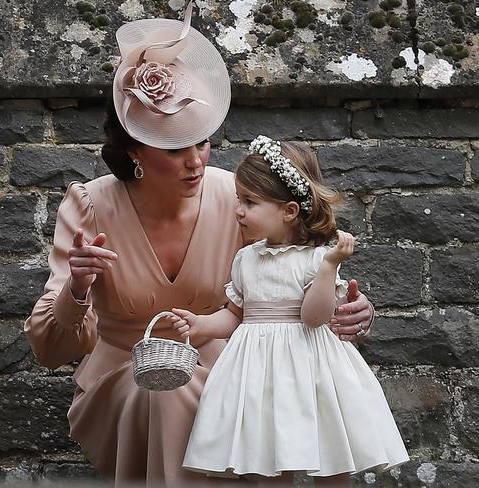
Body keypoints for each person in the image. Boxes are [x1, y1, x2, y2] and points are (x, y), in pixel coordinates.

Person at [24, 3, 375, 486]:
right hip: (126, 378)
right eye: (174, 149)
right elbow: (51, 348)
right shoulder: (90, 206)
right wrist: (79, 287)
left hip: (233, 372)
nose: (195, 161)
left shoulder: (239, 199)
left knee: (222, 401)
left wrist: (353, 308)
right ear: (134, 152)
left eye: (202, 142)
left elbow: (302, 264)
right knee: (164, 394)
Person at [171, 136, 409, 486]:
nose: (239, 210)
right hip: (259, 375)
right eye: (240, 200)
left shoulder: (315, 260)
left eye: (250, 202)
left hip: (312, 370)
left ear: (289, 210)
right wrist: (203, 325)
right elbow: (236, 315)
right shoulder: (245, 259)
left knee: (329, 456)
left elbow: (314, 318)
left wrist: (330, 266)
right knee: (268, 459)